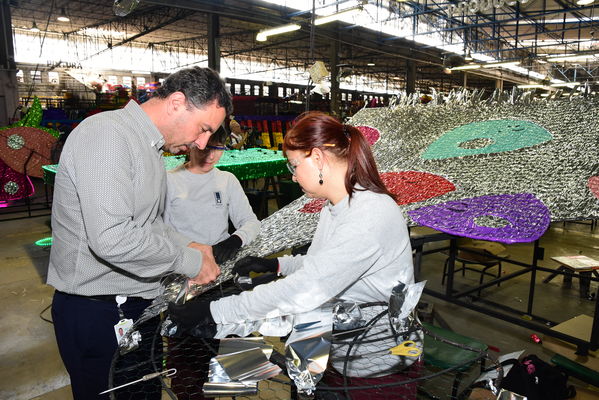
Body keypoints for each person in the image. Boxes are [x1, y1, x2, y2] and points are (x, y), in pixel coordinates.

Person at [169, 112, 417, 396]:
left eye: (294, 165)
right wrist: (277, 265)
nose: (293, 175)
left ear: (318, 159)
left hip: (376, 365)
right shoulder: (335, 206)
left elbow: (308, 288)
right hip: (339, 350)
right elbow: (322, 264)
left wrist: (214, 312)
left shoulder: (371, 213)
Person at [47, 66, 232, 400]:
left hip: (134, 306)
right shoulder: (107, 136)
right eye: (204, 129)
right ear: (177, 102)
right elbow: (112, 237)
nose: (202, 142)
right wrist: (189, 261)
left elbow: (148, 225)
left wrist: (191, 244)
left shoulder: (147, 146)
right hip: (99, 311)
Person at [164, 126, 261, 264]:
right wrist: (194, 249)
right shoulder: (170, 180)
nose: (211, 156)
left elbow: (251, 222)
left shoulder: (227, 179)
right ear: (191, 145)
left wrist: (235, 240)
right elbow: (162, 230)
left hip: (221, 261)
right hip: (185, 262)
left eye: (219, 148)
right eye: (206, 148)